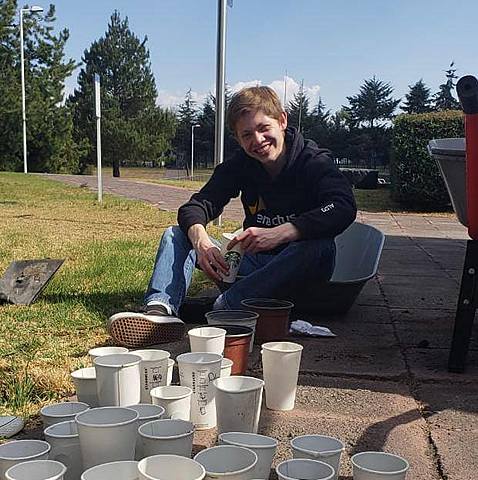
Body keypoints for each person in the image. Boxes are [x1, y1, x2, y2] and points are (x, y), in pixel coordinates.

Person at [108, 86, 357, 348]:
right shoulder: (241, 164)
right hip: (254, 264)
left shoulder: (313, 161)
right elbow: (196, 206)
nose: (257, 140)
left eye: (264, 128)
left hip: (299, 268)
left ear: (282, 120)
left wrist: (281, 232)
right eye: (246, 134)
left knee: (320, 246)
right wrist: (201, 242)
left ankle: (225, 307)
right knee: (177, 234)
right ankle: (160, 311)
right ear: (238, 138)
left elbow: (342, 205)